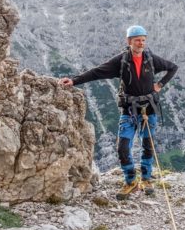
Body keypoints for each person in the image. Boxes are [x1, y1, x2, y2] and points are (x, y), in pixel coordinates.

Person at [60, 25, 178, 200]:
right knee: (123, 147)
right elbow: (97, 72)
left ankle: (146, 179)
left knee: (148, 146)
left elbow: (173, 67)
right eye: (137, 40)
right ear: (129, 41)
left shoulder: (150, 59)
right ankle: (131, 181)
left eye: (143, 40)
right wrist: (74, 81)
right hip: (129, 111)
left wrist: (159, 85)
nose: (141, 43)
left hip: (148, 110)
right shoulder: (121, 61)